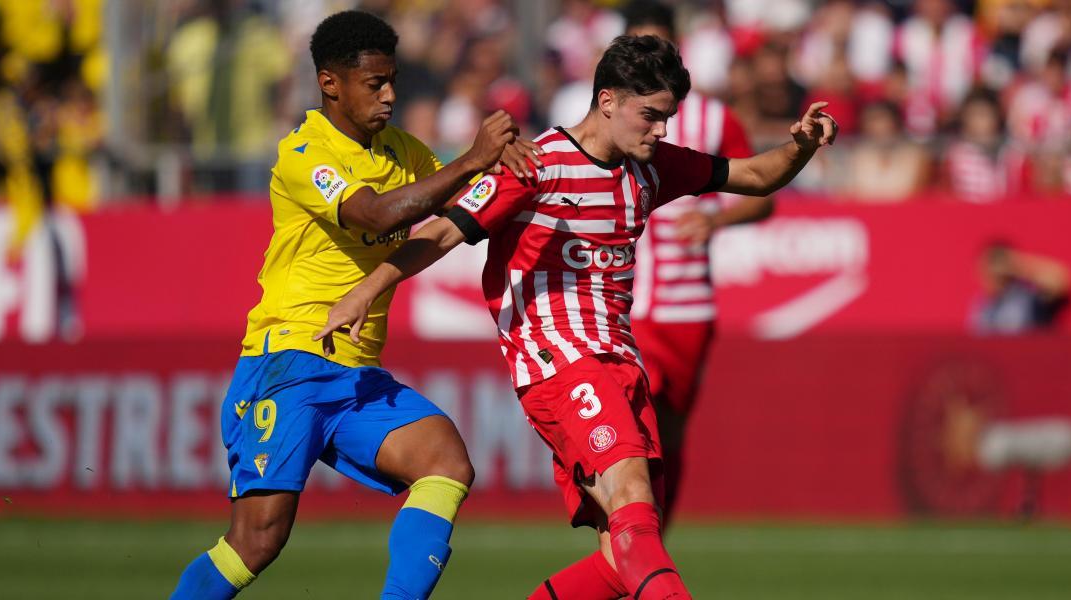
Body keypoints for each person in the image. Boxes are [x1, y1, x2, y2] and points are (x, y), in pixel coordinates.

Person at [315, 35, 836, 600]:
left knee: (624, 554)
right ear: (607, 100)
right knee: (631, 492)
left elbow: (754, 177)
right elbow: (443, 232)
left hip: (620, 361)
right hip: (557, 360)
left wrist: (801, 147)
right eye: (651, 115)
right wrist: (365, 291)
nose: (660, 130)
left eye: (667, 117)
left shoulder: (653, 168)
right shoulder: (537, 165)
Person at [170, 11, 539, 599]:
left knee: (444, 462)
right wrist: (473, 158)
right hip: (288, 359)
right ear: (330, 83)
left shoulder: (403, 151)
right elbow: (375, 213)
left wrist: (507, 162)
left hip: (355, 375)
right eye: (375, 84)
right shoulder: (304, 152)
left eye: (392, 81)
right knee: (257, 542)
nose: (390, 95)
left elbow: (456, 204)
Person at [623, 0, 774, 524]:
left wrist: (717, 221)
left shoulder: (713, 118)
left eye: (659, 46)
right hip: (622, 302)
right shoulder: (600, 113)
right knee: (629, 432)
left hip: (687, 307)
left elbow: (762, 192)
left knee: (670, 434)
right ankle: (626, 544)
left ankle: (651, 543)